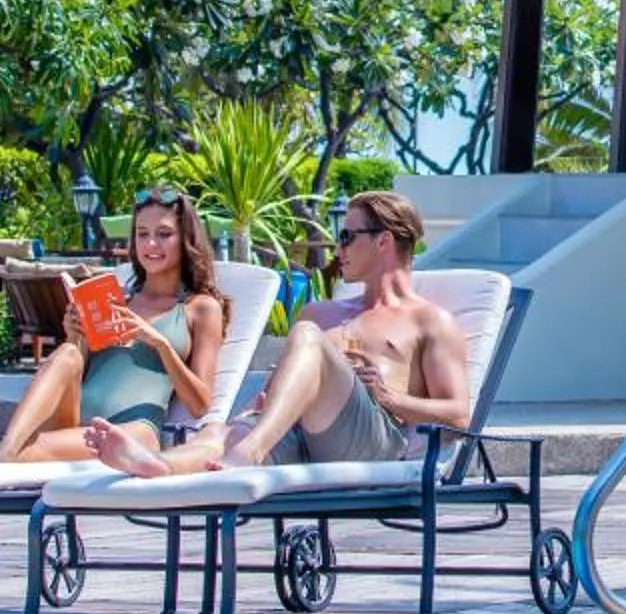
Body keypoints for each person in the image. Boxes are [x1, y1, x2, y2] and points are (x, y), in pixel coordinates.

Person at [84, 188, 470, 478]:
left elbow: (459, 415)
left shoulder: (428, 321)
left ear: (383, 241)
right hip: (297, 437)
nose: (338, 249)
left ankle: (249, 452)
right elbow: (285, 386)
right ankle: (157, 466)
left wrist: (390, 397)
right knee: (217, 432)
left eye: (347, 236)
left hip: (370, 440)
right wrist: (255, 408)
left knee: (308, 335)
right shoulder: (322, 311)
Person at [0, 184, 226, 469]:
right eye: (142, 234)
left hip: (132, 431)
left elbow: (200, 404)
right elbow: (81, 370)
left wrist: (158, 342)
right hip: (75, 416)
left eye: (164, 234)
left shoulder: (200, 309)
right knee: (65, 355)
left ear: (184, 240)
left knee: (40, 447)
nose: (151, 244)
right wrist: (76, 336)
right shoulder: (116, 298)